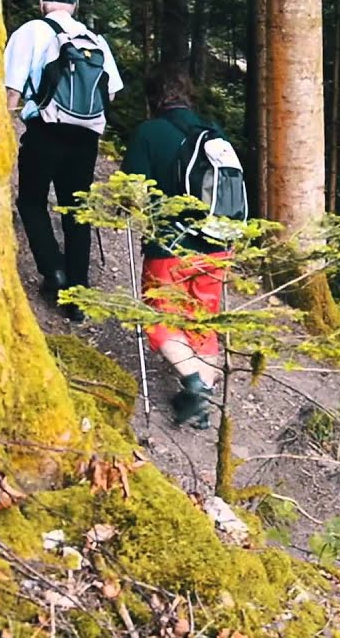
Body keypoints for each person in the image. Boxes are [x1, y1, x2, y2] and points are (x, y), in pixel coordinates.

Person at [4, 0, 123, 322]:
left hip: (45, 130)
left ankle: (54, 270)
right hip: (85, 138)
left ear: (42, 3)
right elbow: (110, 93)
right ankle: (78, 299)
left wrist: (9, 119)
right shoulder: (94, 39)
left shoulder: (31, 31)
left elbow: (12, 88)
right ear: (73, 5)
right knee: (77, 212)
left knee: (31, 200)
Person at [121, 61, 231, 429]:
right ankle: (204, 396)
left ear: (153, 98)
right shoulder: (213, 133)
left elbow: (131, 191)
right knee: (203, 317)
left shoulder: (149, 132)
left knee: (158, 314)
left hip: (170, 243)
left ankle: (194, 384)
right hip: (217, 242)